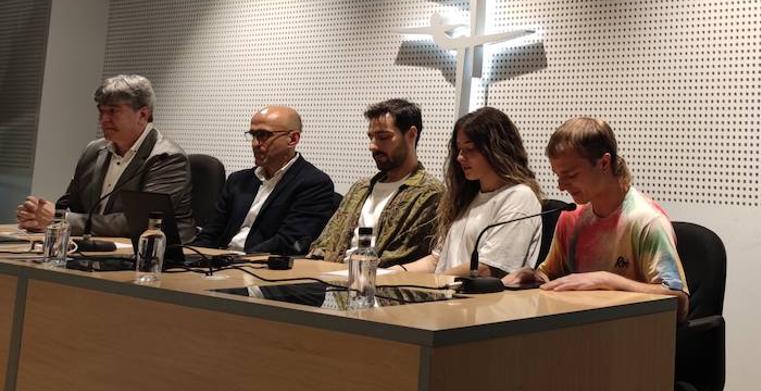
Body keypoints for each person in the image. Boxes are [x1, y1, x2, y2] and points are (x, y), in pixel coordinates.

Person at [504, 117, 688, 320]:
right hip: (580, 329)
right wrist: (533, 277)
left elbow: (678, 301)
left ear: (604, 163)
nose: (561, 186)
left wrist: (608, 281)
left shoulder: (645, 221)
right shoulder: (571, 217)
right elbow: (551, 275)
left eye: (571, 175)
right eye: (558, 175)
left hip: (629, 337)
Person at [16, 74, 197, 242]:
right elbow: (70, 205)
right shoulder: (93, 150)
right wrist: (37, 216)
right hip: (97, 250)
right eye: (101, 111)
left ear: (143, 114)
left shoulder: (167, 158)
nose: (103, 119)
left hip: (160, 259)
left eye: (113, 111)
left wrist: (60, 219)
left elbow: (141, 222)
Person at [402, 107, 542, 277]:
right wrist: (387, 273)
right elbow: (436, 261)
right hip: (445, 297)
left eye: (470, 149)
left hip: (478, 302)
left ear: (496, 150)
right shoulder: (467, 197)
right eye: (459, 149)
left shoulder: (519, 197)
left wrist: (432, 284)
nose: (460, 157)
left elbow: (487, 269)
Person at [308, 98, 442, 266]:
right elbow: (324, 244)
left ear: (411, 135)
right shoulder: (361, 188)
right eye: (371, 137)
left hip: (376, 285)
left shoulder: (429, 193)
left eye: (383, 137)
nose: (372, 146)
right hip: (328, 281)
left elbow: (398, 258)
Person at [194, 106, 338, 254]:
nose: (255, 143)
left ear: (293, 139)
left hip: (259, 267)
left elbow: (289, 242)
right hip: (220, 263)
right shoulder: (238, 180)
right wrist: (193, 257)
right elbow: (210, 233)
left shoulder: (313, 183)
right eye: (253, 135)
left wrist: (233, 260)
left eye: (263, 135)